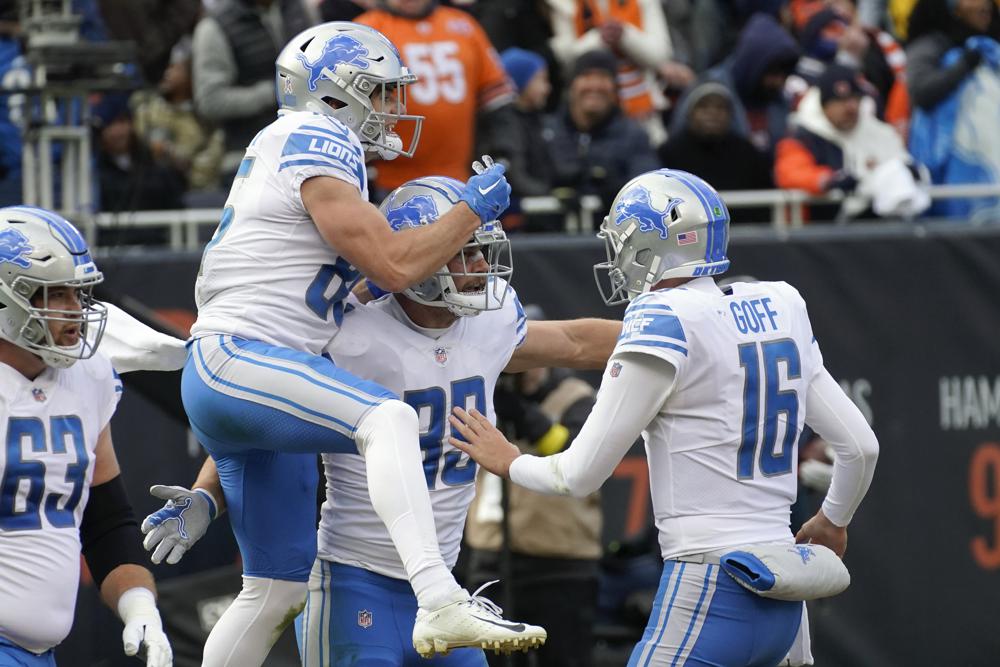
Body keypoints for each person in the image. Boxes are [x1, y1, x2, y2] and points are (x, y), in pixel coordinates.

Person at [170, 20, 536, 667]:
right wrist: (470, 210)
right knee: (387, 416)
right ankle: (439, 592)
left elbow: (363, 289)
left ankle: (434, 592)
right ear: (333, 93)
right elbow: (397, 268)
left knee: (273, 589)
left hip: (255, 375)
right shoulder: (316, 136)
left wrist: (207, 489)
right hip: (245, 355)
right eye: (380, 90)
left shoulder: (307, 154)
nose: (394, 107)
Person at [141, 176, 621, 665]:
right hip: (354, 584)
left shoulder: (491, 324)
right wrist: (208, 492)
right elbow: (263, 416)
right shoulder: (347, 333)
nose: (482, 267)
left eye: (482, 250)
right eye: (465, 251)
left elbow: (575, 342)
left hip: (446, 589)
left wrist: (670, 334)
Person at [448, 169, 880, 665]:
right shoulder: (779, 304)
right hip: (787, 593)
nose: (616, 255)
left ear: (654, 244)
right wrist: (833, 519)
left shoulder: (661, 318)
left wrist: (509, 461)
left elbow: (578, 475)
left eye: (623, 240)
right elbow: (861, 447)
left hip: (710, 584)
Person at [0, 206, 173, 666]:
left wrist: (139, 605)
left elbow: (106, 517)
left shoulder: (88, 375)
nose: (75, 310)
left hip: (39, 652)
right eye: (55, 294)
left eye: (79, 293)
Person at [465, 305, 603, 667]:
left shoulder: (575, 396)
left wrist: (525, 416)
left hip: (559, 558)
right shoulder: (480, 395)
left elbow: (573, 457)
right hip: (491, 554)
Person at [355, 0, 516, 193]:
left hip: (459, 177)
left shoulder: (463, 24)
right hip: (389, 181)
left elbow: (496, 97)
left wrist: (501, 149)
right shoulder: (366, 29)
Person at [775, 63, 929, 221]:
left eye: (854, 99)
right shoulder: (803, 135)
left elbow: (906, 165)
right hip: (821, 231)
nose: (850, 107)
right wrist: (829, 180)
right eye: (840, 101)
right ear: (824, 105)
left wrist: (912, 171)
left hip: (878, 229)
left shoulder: (877, 131)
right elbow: (789, 173)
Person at [542, 50, 660, 214]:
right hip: (547, 236)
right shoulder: (545, 130)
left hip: (611, 235)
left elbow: (647, 188)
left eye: (603, 77)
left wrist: (611, 190)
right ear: (571, 84)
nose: (595, 85)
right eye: (587, 76)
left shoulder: (634, 136)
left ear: (615, 88)